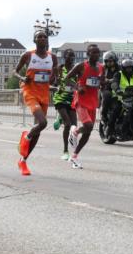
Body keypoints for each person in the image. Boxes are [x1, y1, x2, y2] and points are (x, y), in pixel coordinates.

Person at [13, 32, 58, 175]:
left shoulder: (53, 57)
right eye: (40, 36)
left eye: (45, 36)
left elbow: (54, 76)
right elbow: (15, 71)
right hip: (30, 92)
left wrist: (54, 81)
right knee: (43, 123)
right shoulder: (28, 55)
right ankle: (26, 138)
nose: (43, 38)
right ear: (34, 40)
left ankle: (23, 160)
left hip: (44, 94)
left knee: (38, 131)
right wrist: (22, 77)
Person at [65, 44, 104, 169]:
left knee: (88, 131)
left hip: (92, 101)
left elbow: (101, 82)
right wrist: (77, 87)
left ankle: (74, 156)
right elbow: (67, 79)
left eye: (98, 53)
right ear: (88, 54)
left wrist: (107, 81)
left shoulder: (101, 67)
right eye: (93, 53)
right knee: (88, 125)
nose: (96, 55)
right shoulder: (81, 66)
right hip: (81, 100)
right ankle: (75, 132)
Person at [52, 49, 78, 161]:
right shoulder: (59, 68)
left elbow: (79, 82)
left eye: (73, 56)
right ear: (64, 57)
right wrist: (57, 80)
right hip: (60, 98)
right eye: (69, 56)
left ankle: (60, 118)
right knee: (68, 124)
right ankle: (65, 151)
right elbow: (55, 82)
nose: (71, 58)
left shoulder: (76, 69)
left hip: (72, 99)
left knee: (74, 126)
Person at [99, 50, 122, 129]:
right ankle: (103, 115)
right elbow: (101, 78)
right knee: (107, 95)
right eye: (107, 61)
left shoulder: (120, 68)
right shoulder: (103, 68)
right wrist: (108, 80)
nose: (109, 63)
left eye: (111, 61)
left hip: (118, 89)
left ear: (115, 60)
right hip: (106, 88)